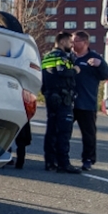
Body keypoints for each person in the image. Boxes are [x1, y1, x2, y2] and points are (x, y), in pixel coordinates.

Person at [72, 31, 108, 171]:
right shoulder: (69, 57)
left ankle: (88, 159)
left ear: (85, 43)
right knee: (61, 131)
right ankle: (59, 158)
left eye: (76, 41)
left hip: (86, 103)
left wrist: (99, 64)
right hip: (68, 102)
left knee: (88, 134)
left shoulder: (93, 58)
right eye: (72, 40)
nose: (73, 43)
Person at [41, 32, 82, 174]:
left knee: (51, 130)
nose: (72, 45)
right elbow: (63, 72)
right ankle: (63, 163)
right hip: (62, 98)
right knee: (64, 131)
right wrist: (75, 70)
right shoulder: (61, 57)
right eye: (70, 42)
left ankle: (50, 162)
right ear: (63, 42)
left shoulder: (46, 56)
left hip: (50, 98)